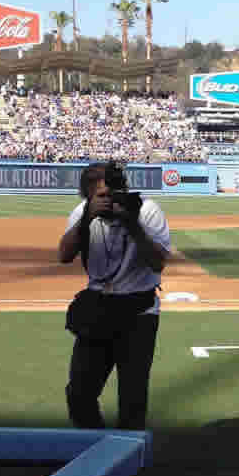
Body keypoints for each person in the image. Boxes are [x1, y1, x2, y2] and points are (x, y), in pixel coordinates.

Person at [57, 161, 171, 430]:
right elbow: (64, 255)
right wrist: (87, 218)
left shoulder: (147, 211)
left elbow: (158, 263)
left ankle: (128, 460)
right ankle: (96, 449)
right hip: (98, 311)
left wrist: (133, 224)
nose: (109, 201)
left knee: (132, 399)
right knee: (79, 393)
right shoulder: (82, 212)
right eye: (101, 197)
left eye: (114, 194)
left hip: (139, 313)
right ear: (88, 197)